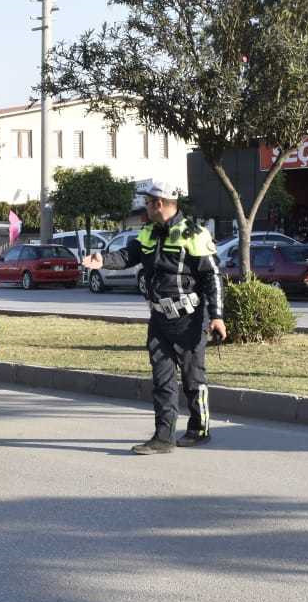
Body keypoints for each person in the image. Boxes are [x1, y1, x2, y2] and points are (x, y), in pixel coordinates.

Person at [82, 180, 227, 454]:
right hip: (159, 319)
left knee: (193, 378)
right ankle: (163, 437)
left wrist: (217, 316)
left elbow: (212, 277)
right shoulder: (149, 232)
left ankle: (199, 427)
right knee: (162, 379)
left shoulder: (193, 234)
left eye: (148, 202)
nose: (145, 207)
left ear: (159, 204)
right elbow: (129, 255)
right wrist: (103, 259)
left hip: (189, 319)